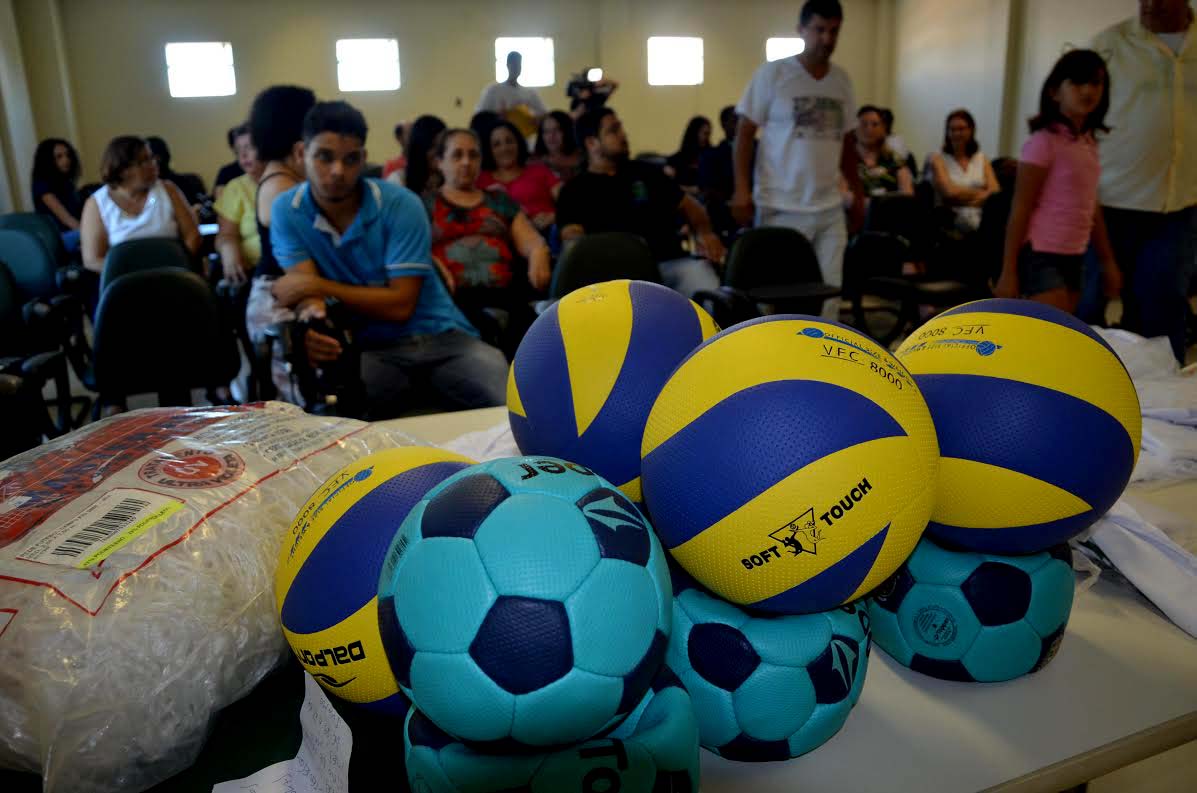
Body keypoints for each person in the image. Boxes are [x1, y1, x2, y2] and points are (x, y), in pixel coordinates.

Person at [268, 101, 508, 416]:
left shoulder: (400, 204)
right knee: (345, 420)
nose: (338, 171)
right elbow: (308, 295)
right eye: (324, 157)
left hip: (441, 334)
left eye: (351, 159)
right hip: (367, 347)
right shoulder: (287, 211)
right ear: (301, 153)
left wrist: (316, 286)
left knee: (510, 403)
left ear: (364, 158)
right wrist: (312, 321)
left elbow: (401, 305)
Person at [1082, 0, 1197, 362]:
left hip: (1179, 208)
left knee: (1162, 311)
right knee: (1090, 309)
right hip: (1109, 206)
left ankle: (1162, 395)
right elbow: (1076, 119)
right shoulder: (1108, 45)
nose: (1148, 4)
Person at [733, 0, 855, 319]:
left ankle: (824, 348)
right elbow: (744, 133)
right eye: (819, 30)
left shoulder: (841, 80)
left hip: (829, 207)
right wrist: (742, 190)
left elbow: (849, 141)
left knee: (830, 294)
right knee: (774, 295)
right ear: (801, 30)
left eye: (834, 31)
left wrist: (858, 192)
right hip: (781, 206)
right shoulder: (773, 73)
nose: (826, 39)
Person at [996, 50, 1121, 313]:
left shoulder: (1088, 143)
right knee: (1048, 330)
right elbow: (1021, 207)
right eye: (1077, 82)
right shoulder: (1043, 141)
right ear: (1055, 92)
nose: (1087, 90)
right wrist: (1008, 270)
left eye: (1095, 83)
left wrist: (1107, 261)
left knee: (1064, 331)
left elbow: (1091, 205)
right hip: (1041, 252)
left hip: (1075, 253)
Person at [557, 107, 725, 298]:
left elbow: (689, 205)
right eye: (613, 130)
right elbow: (574, 241)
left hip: (667, 265)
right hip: (612, 280)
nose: (623, 134)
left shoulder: (647, 172)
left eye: (621, 128)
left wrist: (705, 233)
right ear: (591, 143)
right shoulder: (574, 190)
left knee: (705, 285)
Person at [426, 128, 551, 356]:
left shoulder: (499, 201)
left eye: (473, 155)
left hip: (504, 293)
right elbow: (414, 252)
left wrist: (538, 251)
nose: (466, 162)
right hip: (453, 298)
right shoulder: (425, 205)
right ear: (439, 162)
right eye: (457, 155)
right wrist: (434, 264)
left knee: (536, 337)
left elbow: (530, 240)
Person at [79, 135, 200, 273]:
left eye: (151, 158)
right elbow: (92, 259)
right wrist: (136, 273)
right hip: (124, 278)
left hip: (171, 273)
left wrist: (177, 264)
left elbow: (193, 235)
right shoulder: (96, 204)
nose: (153, 164)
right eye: (143, 161)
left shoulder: (168, 190)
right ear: (122, 170)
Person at [478, 120, 561, 233]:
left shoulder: (539, 171)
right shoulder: (480, 180)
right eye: (496, 144)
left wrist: (553, 216)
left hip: (548, 233)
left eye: (509, 141)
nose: (504, 148)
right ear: (489, 150)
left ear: (519, 143)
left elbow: (570, 203)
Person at [927, 109, 1000, 233]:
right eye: (952, 129)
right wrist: (982, 194)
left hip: (983, 216)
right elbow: (950, 193)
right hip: (951, 219)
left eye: (961, 129)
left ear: (971, 130)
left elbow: (995, 193)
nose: (956, 133)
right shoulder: (937, 158)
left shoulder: (981, 158)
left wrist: (962, 197)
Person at [213, 129, 265, 285]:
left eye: (249, 147)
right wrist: (228, 249)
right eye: (237, 151)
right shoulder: (236, 187)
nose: (243, 155)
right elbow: (226, 235)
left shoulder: (288, 180)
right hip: (252, 272)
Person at [698, 107, 748, 244]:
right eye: (734, 121)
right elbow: (707, 188)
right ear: (724, 124)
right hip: (725, 208)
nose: (739, 125)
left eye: (741, 121)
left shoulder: (757, 149)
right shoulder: (711, 156)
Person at [476, 51, 547, 138]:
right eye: (513, 64)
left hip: (525, 137)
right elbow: (479, 117)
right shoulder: (493, 91)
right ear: (507, 65)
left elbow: (544, 114)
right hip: (500, 135)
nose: (516, 68)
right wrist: (496, 117)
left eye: (518, 65)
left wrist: (536, 119)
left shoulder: (530, 93)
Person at [30, 138, 84, 252]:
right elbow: (67, 219)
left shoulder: (66, 183)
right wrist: (89, 234)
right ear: (48, 161)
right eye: (59, 157)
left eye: (68, 155)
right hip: (57, 239)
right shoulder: (41, 185)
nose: (66, 160)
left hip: (73, 233)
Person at [852, 105, 913, 200]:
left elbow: (907, 193)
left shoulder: (895, 160)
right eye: (864, 124)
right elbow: (844, 195)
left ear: (883, 129)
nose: (869, 129)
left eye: (875, 124)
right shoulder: (847, 159)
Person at [146, 136, 207, 208]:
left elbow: (198, 207)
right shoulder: (143, 189)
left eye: (148, 158)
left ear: (159, 157)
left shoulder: (183, 183)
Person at [665, 116, 712, 194]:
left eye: (708, 134)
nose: (707, 138)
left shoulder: (711, 157)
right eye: (705, 133)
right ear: (694, 133)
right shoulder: (678, 158)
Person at [403, 115, 448, 197]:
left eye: (443, 145)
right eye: (433, 146)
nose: (439, 152)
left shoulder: (452, 178)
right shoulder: (399, 182)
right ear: (419, 149)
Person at [533, 110, 583, 182]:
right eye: (546, 131)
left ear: (568, 131)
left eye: (557, 130)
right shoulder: (535, 163)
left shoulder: (586, 158)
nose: (551, 136)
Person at [213, 125, 247, 199]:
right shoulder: (226, 172)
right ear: (233, 148)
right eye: (239, 147)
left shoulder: (265, 168)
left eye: (247, 146)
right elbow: (220, 200)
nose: (244, 153)